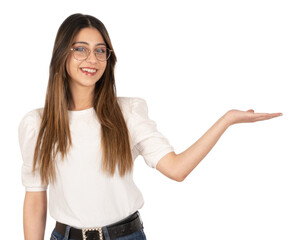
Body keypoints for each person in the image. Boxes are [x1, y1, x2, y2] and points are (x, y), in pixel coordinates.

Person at [18, 13, 282, 240]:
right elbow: (35, 198)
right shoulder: (37, 125)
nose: (92, 59)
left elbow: (177, 170)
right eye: (80, 48)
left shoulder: (127, 113)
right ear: (62, 53)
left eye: (100, 50)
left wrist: (226, 120)